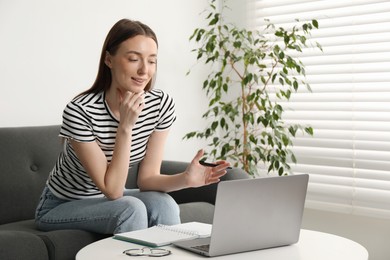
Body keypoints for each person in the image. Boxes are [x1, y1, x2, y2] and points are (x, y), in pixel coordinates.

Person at [35, 18, 230, 235]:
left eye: (152, 61)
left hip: (109, 200)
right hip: (61, 205)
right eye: (133, 59)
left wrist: (186, 179)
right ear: (109, 59)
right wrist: (125, 127)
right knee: (130, 208)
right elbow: (113, 190)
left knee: (164, 203)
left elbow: (147, 179)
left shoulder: (160, 104)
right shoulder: (80, 111)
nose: (144, 70)